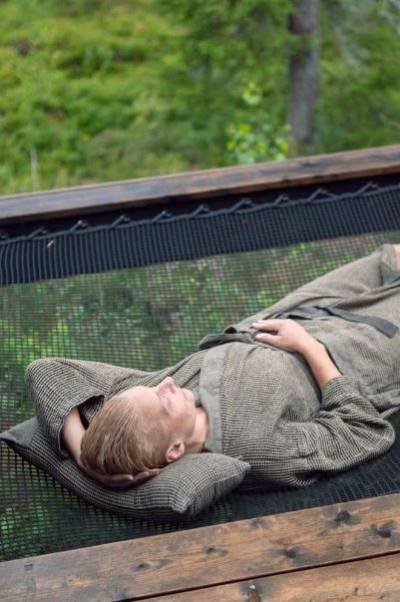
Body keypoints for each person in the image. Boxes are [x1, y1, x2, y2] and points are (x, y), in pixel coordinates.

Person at [26, 243, 400, 492]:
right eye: (164, 400)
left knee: (393, 257)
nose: (166, 382)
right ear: (174, 451)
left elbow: (47, 371)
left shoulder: (149, 405)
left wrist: (84, 458)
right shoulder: (255, 449)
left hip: (296, 313)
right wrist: (309, 347)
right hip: (359, 351)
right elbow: (362, 433)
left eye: (155, 388)